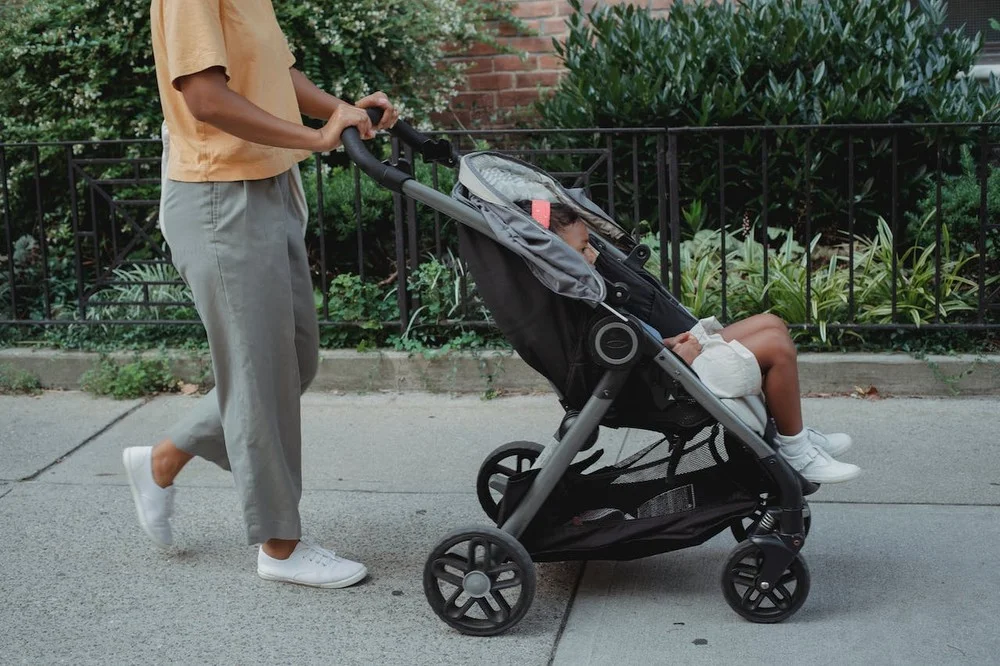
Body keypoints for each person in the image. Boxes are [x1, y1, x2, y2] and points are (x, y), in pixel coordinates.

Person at [122, 0, 400, 589]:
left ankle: (162, 461)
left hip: (270, 186)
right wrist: (316, 137)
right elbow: (205, 96)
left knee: (292, 361)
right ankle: (280, 545)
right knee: (258, 373)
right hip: (221, 197)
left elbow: (277, 78)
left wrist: (340, 112)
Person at [514, 200, 861, 484]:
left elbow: (633, 332)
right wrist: (678, 355)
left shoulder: (582, 284)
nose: (592, 254)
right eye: (582, 248)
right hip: (670, 376)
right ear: (555, 255)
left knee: (773, 323)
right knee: (778, 349)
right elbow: (618, 349)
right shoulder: (576, 292)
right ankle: (796, 450)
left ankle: (792, 433)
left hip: (670, 355)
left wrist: (665, 342)